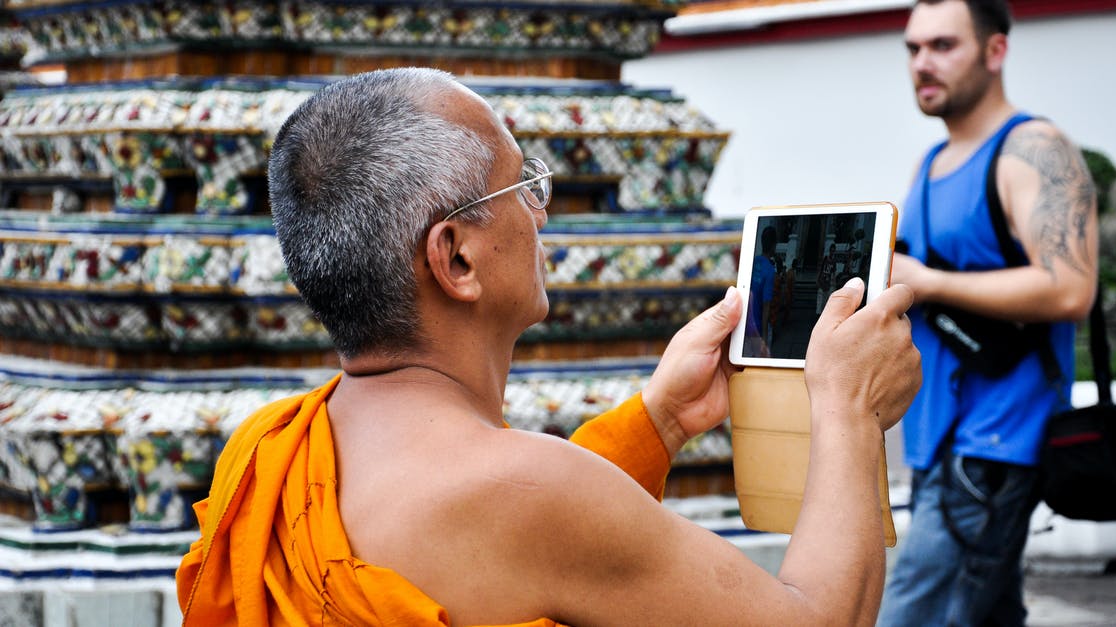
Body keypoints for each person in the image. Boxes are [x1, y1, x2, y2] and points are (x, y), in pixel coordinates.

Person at [175, 67, 921, 626]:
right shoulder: (528, 491)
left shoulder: (265, 453)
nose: (539, 210)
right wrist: (849, 409)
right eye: (521, 184)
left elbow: (518, 542)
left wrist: (660, 420)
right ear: (456, 259)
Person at [879, 1, 1099, 625]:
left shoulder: (1032, 148)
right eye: (913, 48)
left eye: (943, 45)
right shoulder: (931, 162)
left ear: (995, 51)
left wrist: (932, 282)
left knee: (915, 614)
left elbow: (1069, 288)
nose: (922, 63)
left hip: (994, 439)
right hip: (934, 438)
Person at [748, 225, 778, 354]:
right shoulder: (770, 270)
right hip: (758, 328)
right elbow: (766, 307)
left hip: (745, 324)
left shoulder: (752, 262)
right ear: (773, 245)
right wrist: (764, 340)